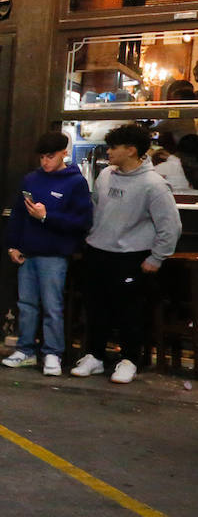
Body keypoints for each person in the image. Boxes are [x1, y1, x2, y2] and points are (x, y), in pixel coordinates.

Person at [71, 123, 181, 384]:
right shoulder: (106, 174)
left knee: (129, 312)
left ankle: (130, 360)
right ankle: (94, 357)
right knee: (96, 309)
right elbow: (95, 210)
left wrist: (156, 258)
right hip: (98, 252)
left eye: (113, 147)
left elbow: (171, 226)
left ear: (131, 150)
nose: (108, 151)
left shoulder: (154, 185)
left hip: (131, 257)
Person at [1, 132, 93, 376]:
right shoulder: (31, 179)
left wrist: (47, 216)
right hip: (28, 251)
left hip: (55, 253)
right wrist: (12, 245)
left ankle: (53, 352)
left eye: (50, 157)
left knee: (53, 305)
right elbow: (18, 215)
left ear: (64, 152)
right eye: (42, 157)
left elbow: (83, 221)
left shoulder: (75, 182)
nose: (45, 162)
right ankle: (26, 350)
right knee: (27, 304)